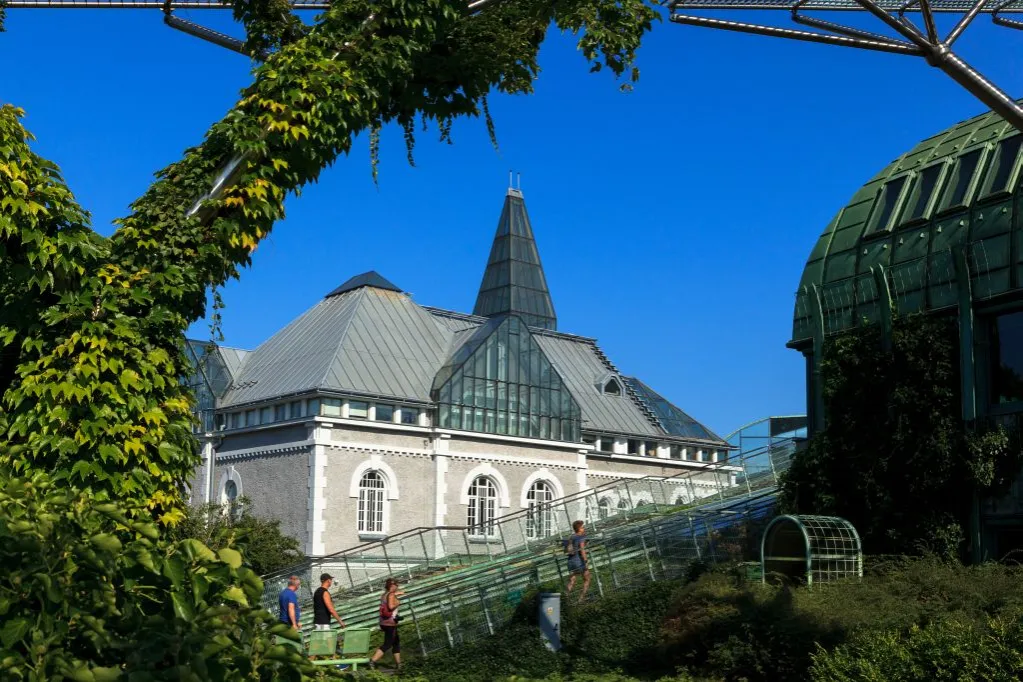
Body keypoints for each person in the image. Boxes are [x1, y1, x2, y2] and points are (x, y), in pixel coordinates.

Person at [369, 577, 404, 670]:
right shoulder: (391, 595)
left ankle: (399, 664)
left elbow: (390, 597)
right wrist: (398, 603)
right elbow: (391, 606)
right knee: (388, 644)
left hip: (384, 622)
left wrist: (397, 594)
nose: (397, 587)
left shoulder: (384, 594)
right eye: (396, 585)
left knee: (396, 642)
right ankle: (372, 661)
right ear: (392, 586)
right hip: (390, 623)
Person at [564, 520, 591, 603]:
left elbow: (567, 549)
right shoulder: (581, 537)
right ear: (579, 528)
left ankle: (565, 598)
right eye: (582, 527)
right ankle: (581, 599)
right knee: (587, 579)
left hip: (570, 561)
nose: (584, 528)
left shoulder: (572, 537)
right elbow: (582, 550)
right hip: (579, 561)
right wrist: (585, 560)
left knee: (572, 580)